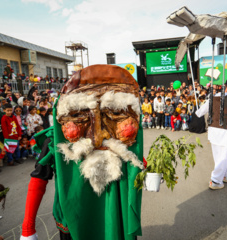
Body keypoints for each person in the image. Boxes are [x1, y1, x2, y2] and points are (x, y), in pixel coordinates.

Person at [20, 65, 144, 240]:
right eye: (80, 115)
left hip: (117, 221)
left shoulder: (125, 141)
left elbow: (136, 163)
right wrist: (27, 228)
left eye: (114, 113)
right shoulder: (55, 141)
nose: (97, 137)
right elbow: (39, 178)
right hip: (72, 223)